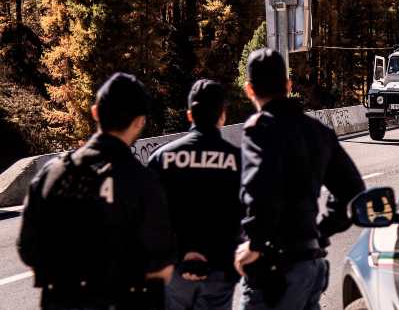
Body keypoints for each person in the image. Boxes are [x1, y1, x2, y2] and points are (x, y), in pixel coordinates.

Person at [17, 73, 175, 310]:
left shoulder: (53, 173)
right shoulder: (144, 183)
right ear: (140, 122)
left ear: (95, 113)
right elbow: (162, 266)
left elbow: (28, 249)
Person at [234, 48, 365, 310]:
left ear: (249, 90)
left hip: (274, 269)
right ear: (288, 85)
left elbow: (260, 188)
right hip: (311, 264)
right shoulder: (319, 132)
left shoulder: (260, 129)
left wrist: (256, 243)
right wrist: (321, 231)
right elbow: (354, 192)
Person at [148, 79, 242, 310]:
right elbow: (251, 214)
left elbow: (148, 218)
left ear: (190, 115)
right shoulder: (239, 160)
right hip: (220, 271)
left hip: (174, 272)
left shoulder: (162, 158)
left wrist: (181, 255)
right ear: (222, 115)